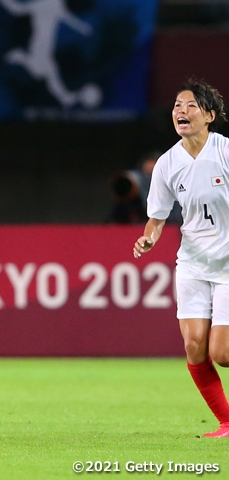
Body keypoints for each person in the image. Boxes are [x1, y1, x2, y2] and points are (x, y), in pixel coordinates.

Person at [133, 79, 229, 437]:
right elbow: (156, 218)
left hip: (228, 266)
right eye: (176, 106)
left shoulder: (225, 152)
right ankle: (227, 422)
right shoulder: (167, 164)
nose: (180, 111)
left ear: (209, 116)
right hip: (192, 263)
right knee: (193, 345)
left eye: (189, 106)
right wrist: (148, 238)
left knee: (223, 353)